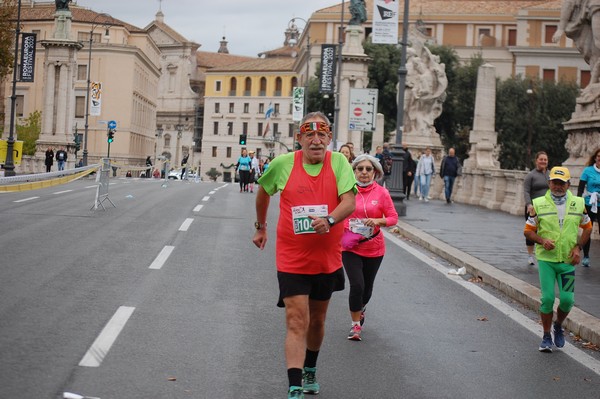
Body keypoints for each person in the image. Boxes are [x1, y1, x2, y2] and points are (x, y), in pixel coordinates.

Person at [252, 111, 356, 398]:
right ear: (299, 138)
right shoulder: (283, 164)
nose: (316, 140)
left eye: (322, 134)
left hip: (327, 259)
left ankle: (310, 369)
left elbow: (349, 202)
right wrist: (261, 227)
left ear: (329, 138)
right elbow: (263, 192)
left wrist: (331, 220)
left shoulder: (339, 163)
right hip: (292, 258)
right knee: (297, 320)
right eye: (309, 134)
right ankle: (295, 385)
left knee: (318, 320)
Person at [524, 166, 592, 353]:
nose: (558, 186)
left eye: (562, 183)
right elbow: (528, 231)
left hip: (567, 262)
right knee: (547, 299)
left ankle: (558, 325)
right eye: (555, 182)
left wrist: (578, 248)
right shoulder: (538, 204)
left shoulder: (578, 203)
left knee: (567, 301)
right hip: (546, 260)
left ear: (569, 185)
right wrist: (542, 240)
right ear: (549, 183)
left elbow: (588, 227)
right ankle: (546, 336)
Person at [342, 154, 398, 341]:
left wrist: (377, 220)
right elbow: (337, 214)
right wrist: (346, 228)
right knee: (356, 285)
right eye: (360, 169)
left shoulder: (382, 193)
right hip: (350, 246)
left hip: (374, 247)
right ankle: (355, 326)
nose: (364, 172)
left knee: (367, 289)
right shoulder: (346, 191)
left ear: (375, 172)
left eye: (368, 169)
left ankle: (362, 307)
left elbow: (393, 218)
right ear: (354, 171)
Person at [523, 151, 549, 265]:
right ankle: (530, 255)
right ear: (536, 161)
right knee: (531, 231)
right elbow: (526, 191)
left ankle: (542, 253)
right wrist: (529, 204)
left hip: (547, 208)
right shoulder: (531, 175)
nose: (543, 161)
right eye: (541, 159)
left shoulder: (551, 174)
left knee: (545, 230)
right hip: (533, 208)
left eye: (545, 160)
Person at [577, 147, 600, 267]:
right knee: (588, 229)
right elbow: (580, 188)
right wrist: (579, 203)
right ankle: (585, 256)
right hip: (589, 203)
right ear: (595, 158)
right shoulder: (588, 171)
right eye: (599, 156)